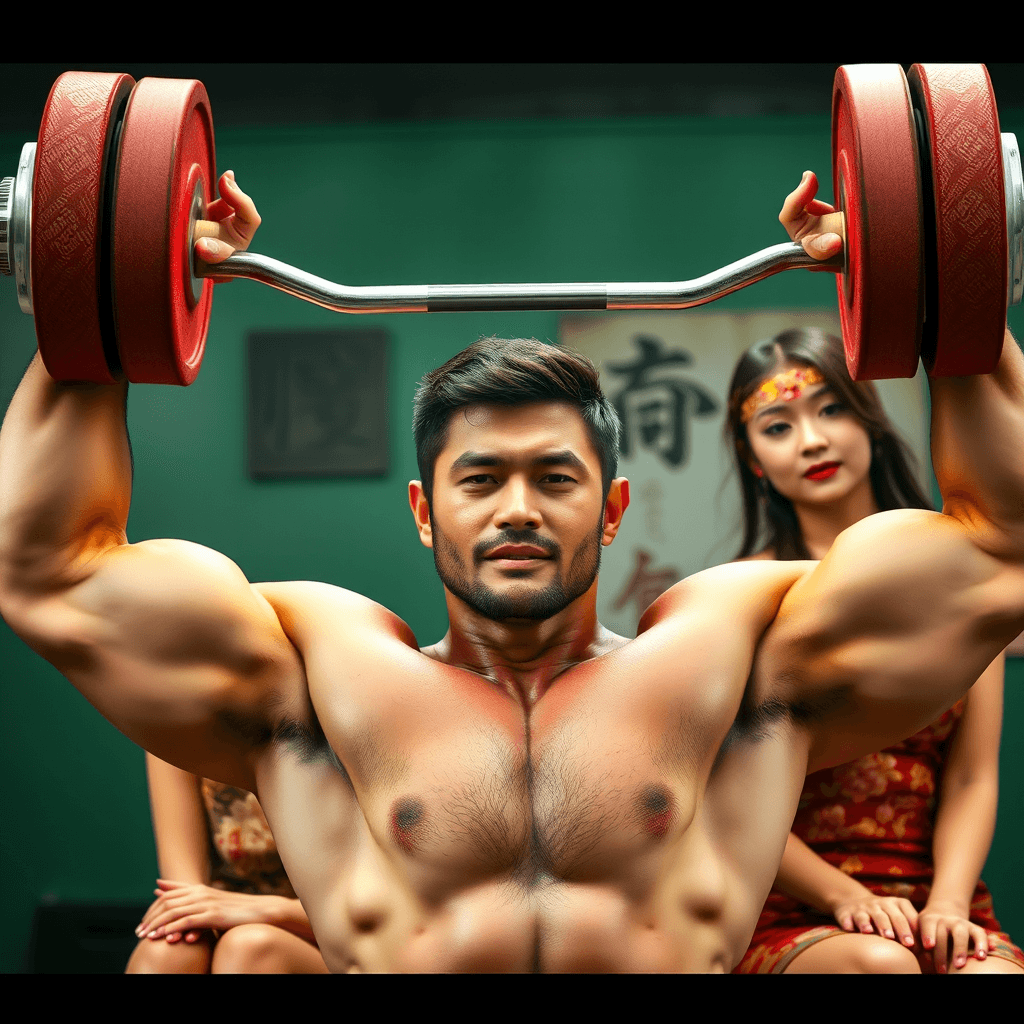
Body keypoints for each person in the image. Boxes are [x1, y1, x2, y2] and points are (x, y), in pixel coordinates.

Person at [2, 168, 1024, 973]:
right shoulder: (322, 674)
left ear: (613, 506)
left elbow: (997, 548)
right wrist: (103, 288)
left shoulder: (731, 662)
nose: (519, 508)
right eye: (480, 477)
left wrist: (940, 282)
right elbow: (48, 571)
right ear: (422, 509)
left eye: (556, 477)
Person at [722, 327, 1024, 974]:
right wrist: (845, 895)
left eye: (831, 409)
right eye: (777, 427)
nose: (812, 440)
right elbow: (720, 795)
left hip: (937, 892)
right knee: (879, 968)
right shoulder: (742, 604)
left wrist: (948, 902)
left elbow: (973, 775)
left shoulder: (966, 580)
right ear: (753, 458)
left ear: (870, 418)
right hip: (794, 904)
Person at [125, 752, 328, 973]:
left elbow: (367, 911)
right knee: (166, 953)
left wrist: (272, 911)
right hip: (224, 925)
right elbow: (183, 894)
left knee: (250, 950)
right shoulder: (175, 723)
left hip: (344, 939)